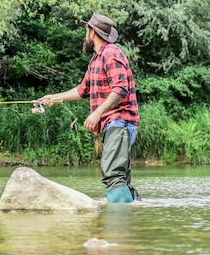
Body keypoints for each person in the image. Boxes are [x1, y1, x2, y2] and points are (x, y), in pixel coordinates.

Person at [38, 13, 141, 203]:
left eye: (86, 31)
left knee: (112, 174)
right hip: (115, 124)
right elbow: (83, 90)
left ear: (92, 32)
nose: (85, 35)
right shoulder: (96, 59)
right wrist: (53, 97)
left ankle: (117, 226)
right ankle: (129, 217)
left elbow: (120, 89)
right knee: (120, 178)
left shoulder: (111, 54)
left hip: (120, 122)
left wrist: (97, 113)